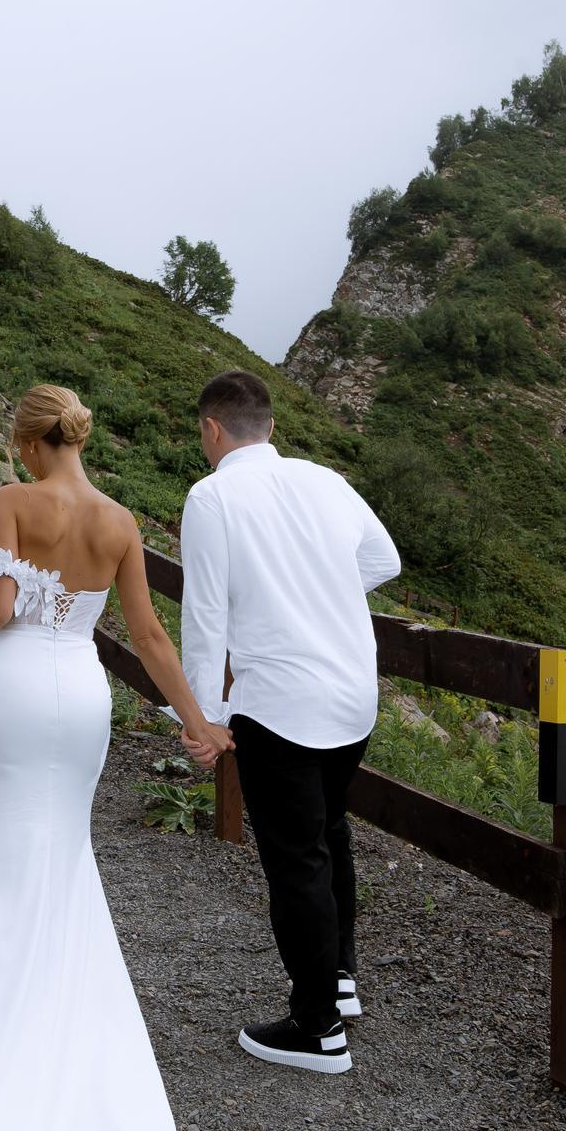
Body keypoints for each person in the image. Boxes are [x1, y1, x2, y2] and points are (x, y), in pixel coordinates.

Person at [0, 384, 230, 1131]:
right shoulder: (119, 521)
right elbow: (149, 636)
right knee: (63, 858)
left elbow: (2, 608)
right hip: (80, 693)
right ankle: (66, 1050)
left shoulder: (14, 500)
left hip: (14, 688)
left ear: (30, 443)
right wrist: (199, 724)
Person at [176, 369, 399, 1074]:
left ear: (212, 429)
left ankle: (316, 1027)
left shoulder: (212, 497)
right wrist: (314, 588)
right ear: (270, 427)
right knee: (329, 833)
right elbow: (384, 559)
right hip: (352, 696)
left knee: (296, 858)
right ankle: (339, 979)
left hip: (281, 705)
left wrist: (203, 719)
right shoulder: (325, 480)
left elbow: (205, 618)